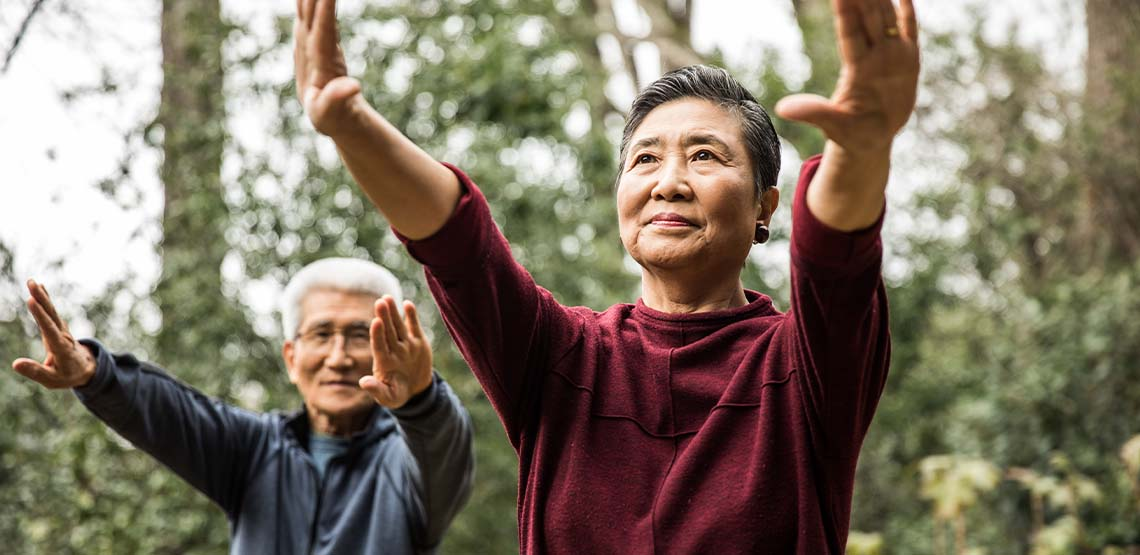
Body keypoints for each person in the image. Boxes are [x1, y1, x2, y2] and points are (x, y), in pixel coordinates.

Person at [293, 0, 918, 551]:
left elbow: (836, 262)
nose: (668, 182)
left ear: (764, 206)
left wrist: (863, 149)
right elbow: (460, 245)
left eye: (704, 155)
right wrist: (351, 126)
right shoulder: (560, 358)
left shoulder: (806, 366)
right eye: (645, 159)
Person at [11, 258, 474, 555]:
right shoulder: (255, 450)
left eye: (359, 335)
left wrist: (421, 398)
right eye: (321, 335)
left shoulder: (407, 463)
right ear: (292, 358)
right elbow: (172, 413)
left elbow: (443, 447)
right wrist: (95, 374)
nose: (339, 357)